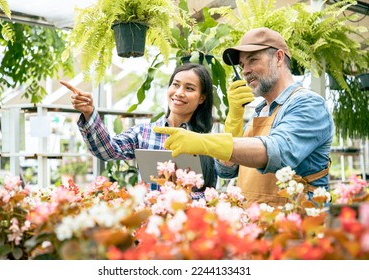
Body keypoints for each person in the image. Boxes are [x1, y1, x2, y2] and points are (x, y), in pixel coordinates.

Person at [154, 27, 334, 207]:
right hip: (255, 223)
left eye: (253, 60)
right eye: (242, 65)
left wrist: (205, 142)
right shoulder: (260, 111)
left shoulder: (308, 104)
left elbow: (277, 152)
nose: (246, 70)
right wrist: (234, 118)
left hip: (295, 226)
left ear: (279, 58)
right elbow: (226, 169)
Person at [60, 63, 216, 198]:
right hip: (150, 223)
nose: (179, 92)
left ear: (202, 98)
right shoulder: (144, 132)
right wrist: (89, 113)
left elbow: (211, 190)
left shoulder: (206, 140)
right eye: (175, 84)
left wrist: (185, 196)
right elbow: (107, 151)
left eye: (189, 88)